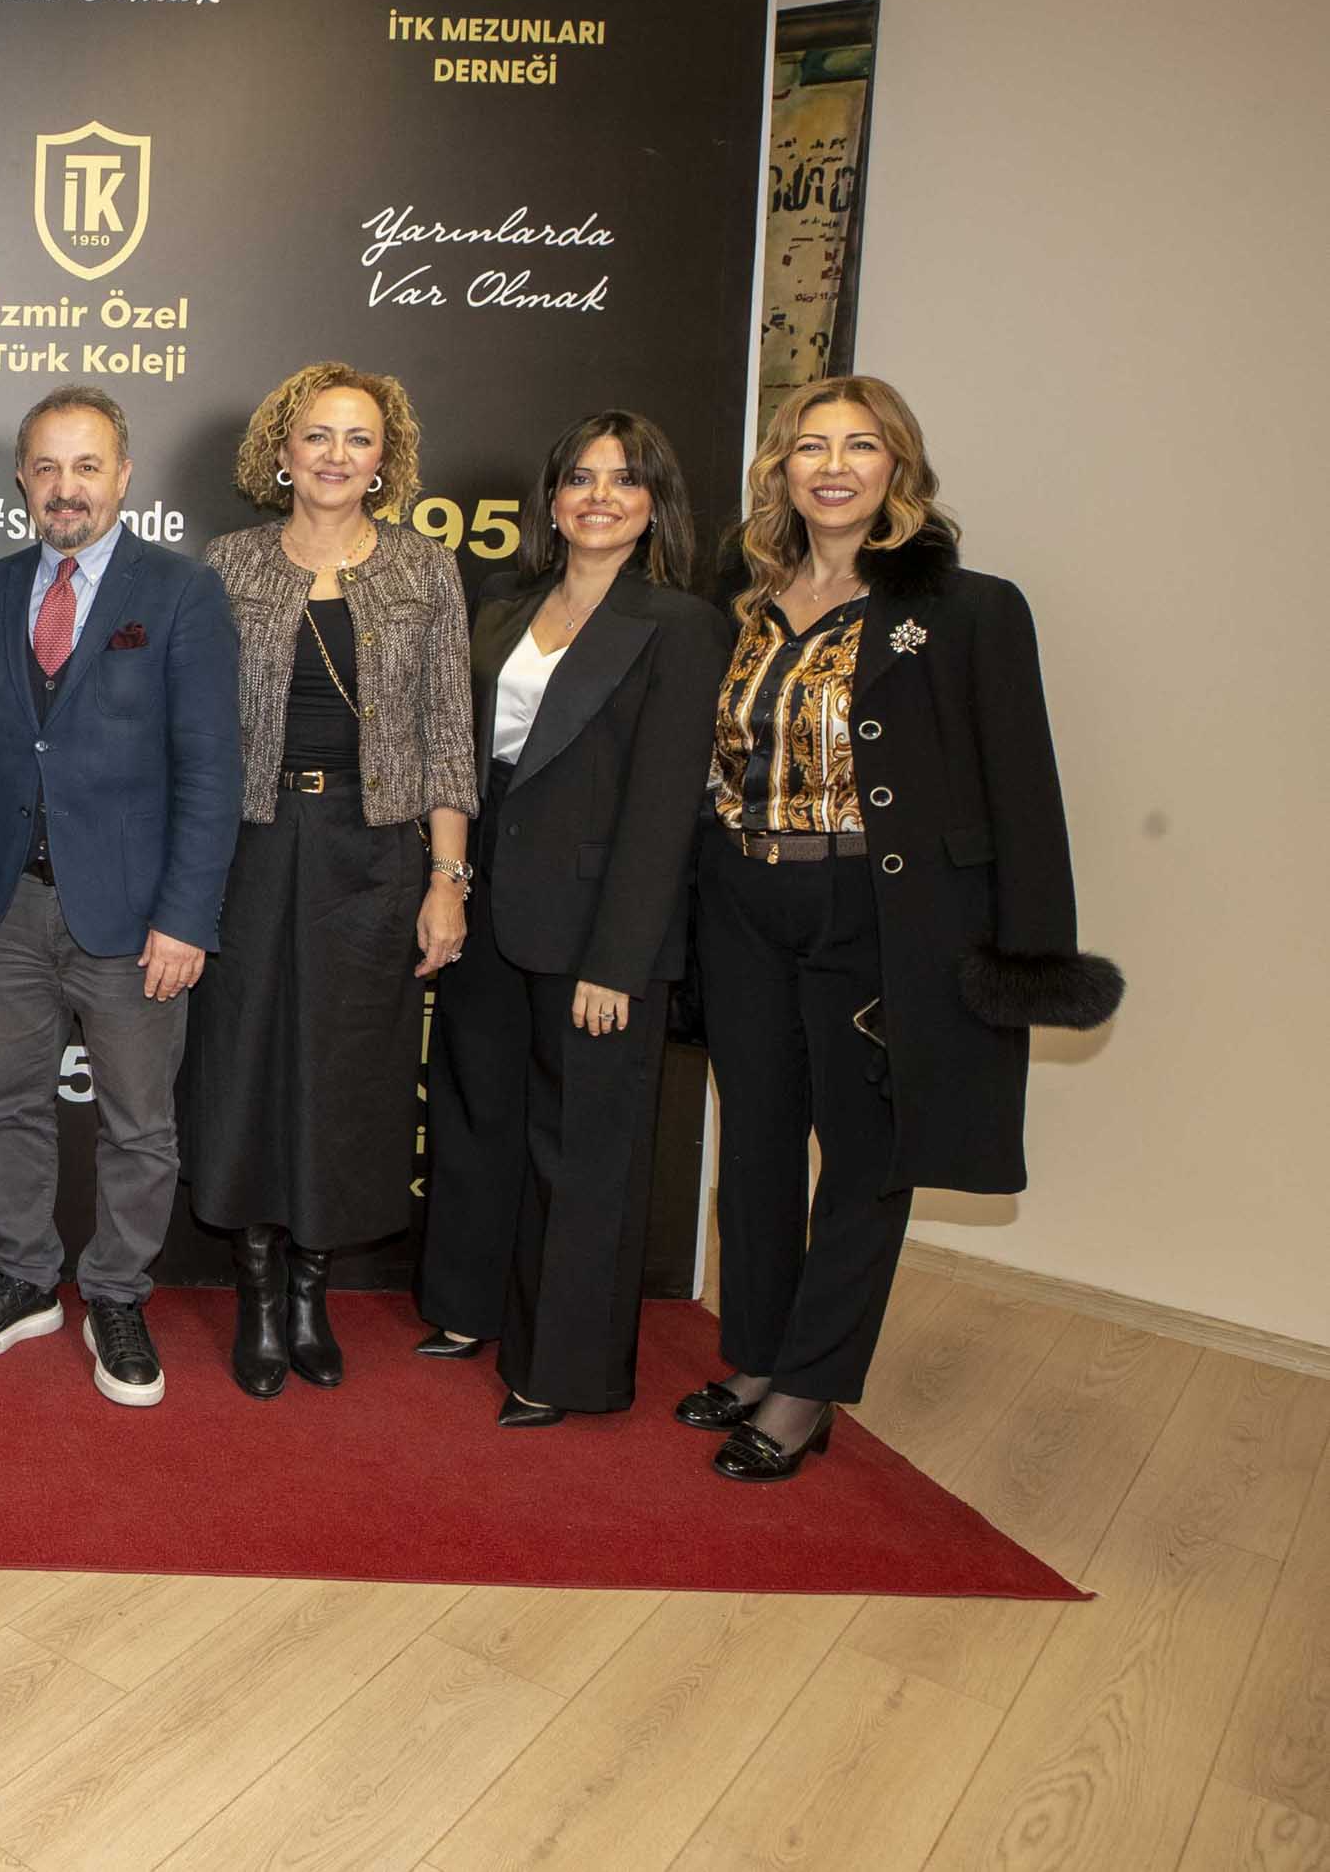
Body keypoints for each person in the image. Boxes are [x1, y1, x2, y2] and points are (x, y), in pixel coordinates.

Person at [681, 377, 1117, 1481]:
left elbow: (1023, 791)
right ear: (779, 469)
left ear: (898, 467)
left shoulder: (970, 609)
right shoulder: (743, 599)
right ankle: (757, 1353)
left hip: (875, 914)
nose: (832, 467)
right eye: (809, 446)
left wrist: (1029, 951)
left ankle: (808, 1386)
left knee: (864, 1154)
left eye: (860, 446)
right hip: (742, 899)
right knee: (758, 1141)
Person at [0, 385, 240, 1407]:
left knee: (138, 1123)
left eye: (87, 465)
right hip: (4, 906)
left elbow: (210, 771)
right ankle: (25, 1278)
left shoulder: (182, 593)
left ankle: (114, 1291)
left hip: (134, 917)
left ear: (124, 476)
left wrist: (186, 917)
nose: (67, 487)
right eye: (48, 467)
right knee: (6, 1102)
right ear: (23, 479)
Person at [413, 412, 723, 1423]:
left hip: (598, 922)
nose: (599, 496)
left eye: (624, 479)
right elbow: (461, 758)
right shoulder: (500, 609)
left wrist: (618, 960)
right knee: (477, 1115)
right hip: (488, 900)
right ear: (550, 500)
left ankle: (561, 1366)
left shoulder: (680, 625)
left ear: (654, 503)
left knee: (583, 1144)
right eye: (580, 478)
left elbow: (664, 808)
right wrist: (449, 882)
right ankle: (466, 1307)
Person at [184, 362, 476, 1399]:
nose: (335, 455)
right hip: (250, 845)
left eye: (358, 438)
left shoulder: (423, 567)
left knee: (347, 1069)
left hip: (373, 848)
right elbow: (193, 726)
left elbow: (448, 734)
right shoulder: (227, 562)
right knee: (245, 1059)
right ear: (282, 450)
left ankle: (312, 1285)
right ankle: (258, 1287)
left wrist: (447, 878)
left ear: (384, 460)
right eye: (316, 435)